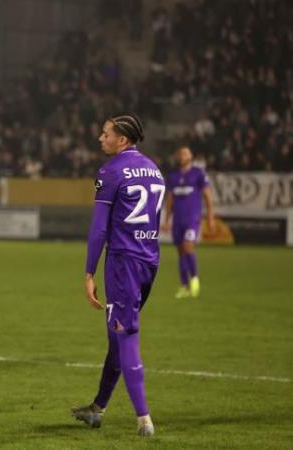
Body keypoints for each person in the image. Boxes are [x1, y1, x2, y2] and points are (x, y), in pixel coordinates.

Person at [72, 113, 164, 437]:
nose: (100, 137)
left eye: (106, 133)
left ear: (122, 140)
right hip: (150, 260)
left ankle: (144, 420)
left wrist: (88, 272)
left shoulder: (111, 171)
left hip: (123, 263)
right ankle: (97, 408)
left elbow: (98, 229)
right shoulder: (154, 170)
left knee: (125, 336)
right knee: (117, 335)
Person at [164, 146, 215, 298]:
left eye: (185, 153)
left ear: (191, 156)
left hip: (192, 218)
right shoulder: (173, 176)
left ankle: (194, 279)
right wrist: (167, 220)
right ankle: (184, 286)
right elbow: (170, 199)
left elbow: (207, 196)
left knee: (187, 247)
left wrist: (211, 218)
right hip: (177, 220)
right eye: (180, 153)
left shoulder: (198, 174)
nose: (182, 156)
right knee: (180, 252)